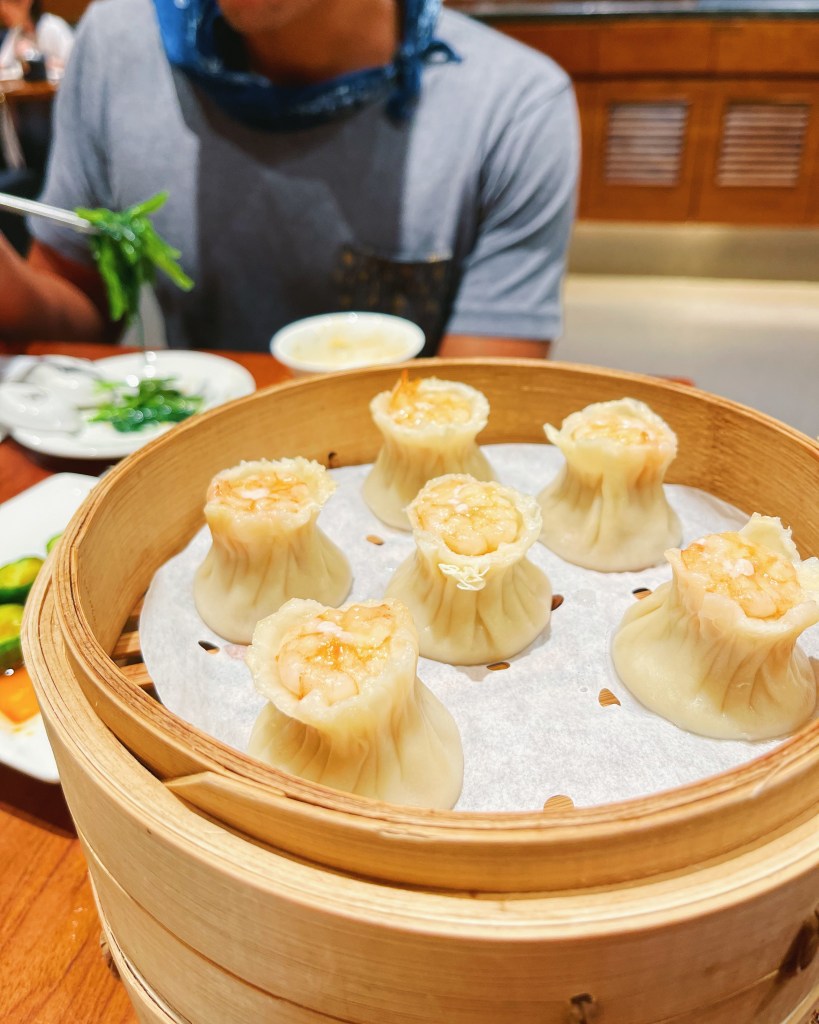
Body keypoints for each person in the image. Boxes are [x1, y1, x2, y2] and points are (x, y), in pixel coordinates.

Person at [0, 0, 578, 358]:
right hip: (192, 484)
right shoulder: (117, 46)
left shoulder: (513, 106)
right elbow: (77, 311)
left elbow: (472, 407)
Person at [0, 0, 74, 80]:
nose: (3, 10)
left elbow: (75, 65)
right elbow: (2, 65)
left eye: (6, 4)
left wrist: (34, 56)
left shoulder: (52, 27)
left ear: (26, 2)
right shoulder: (16, 32)